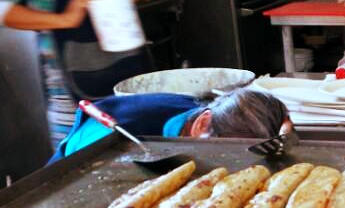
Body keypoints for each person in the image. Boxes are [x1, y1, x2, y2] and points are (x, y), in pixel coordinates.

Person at [0, 0, 156, 146]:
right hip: (70, 90)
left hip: (131, 69)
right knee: (83, 157)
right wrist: (65, 19)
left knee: (150, 146)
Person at [50, 88, 292, 161]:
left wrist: (283, 132)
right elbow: (74, 171)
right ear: (203, 123)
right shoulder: (118, 134)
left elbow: (280, 123)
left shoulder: (202, 112)